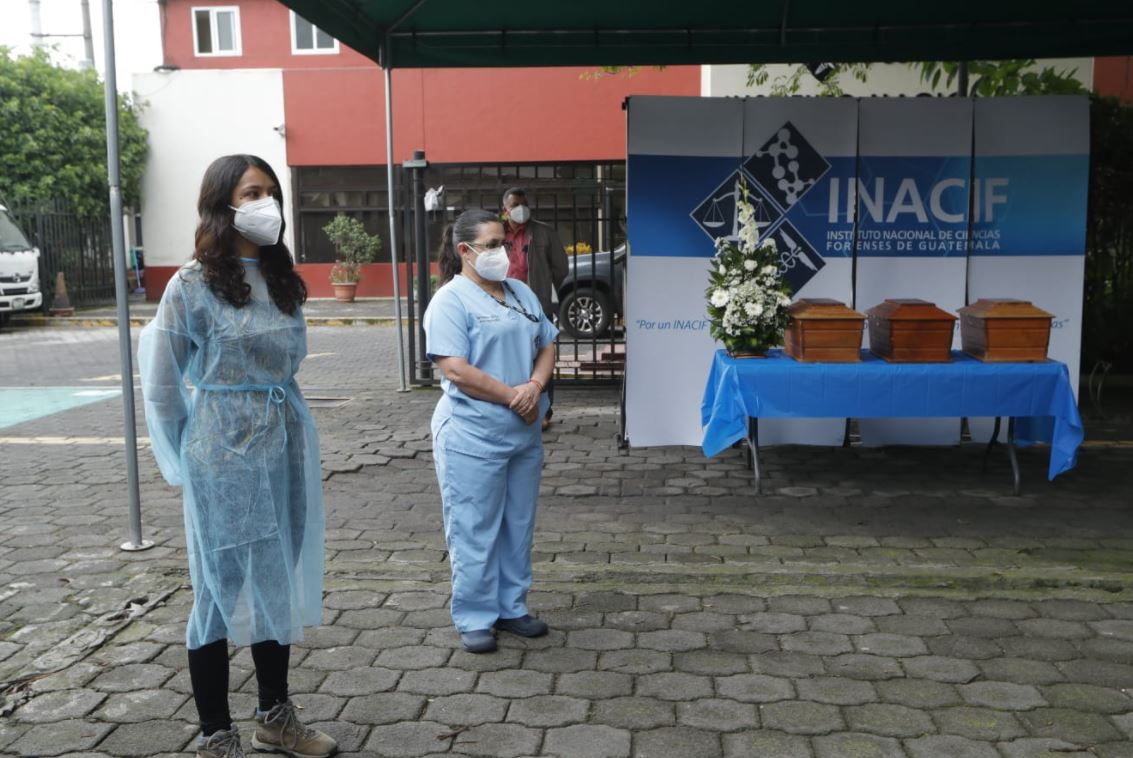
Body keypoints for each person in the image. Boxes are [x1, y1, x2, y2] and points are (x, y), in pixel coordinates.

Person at [138, 154, 336, 758]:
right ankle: (215, 734)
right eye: (252, 192)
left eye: (271, 192)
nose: (265, 204)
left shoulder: (281, 279)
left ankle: (274, 714)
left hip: (283, 437)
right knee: (218, 585)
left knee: (275, 575)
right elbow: (162, 380)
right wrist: (183, 457)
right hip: (220, 447)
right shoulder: (191, 285)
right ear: (222, 203)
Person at [424, 209, 559, 653]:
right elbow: (455, 369)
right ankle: (475, 615)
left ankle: (512, 606)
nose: (504, 252)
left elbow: (547, 343)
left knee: (517, 524)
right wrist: (514, 396)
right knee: (474, 526)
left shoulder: (520, 292)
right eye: (493, 244)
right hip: (472, 433)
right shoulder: (450, 300)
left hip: (523, 431)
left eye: (506, 243)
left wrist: (536, 386)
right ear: (465, 251)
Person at [500, 187, 568, 430]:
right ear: (505, 210)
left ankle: (544, 410)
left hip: (536, 305)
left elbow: (561, 268)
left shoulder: (543, 233)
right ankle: (514, 404)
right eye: (516, 204)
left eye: (525, 203)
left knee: (542, 356)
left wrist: (546, 291)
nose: (522, 209)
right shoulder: (497, 234)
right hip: (503, 306)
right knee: (510, 357)